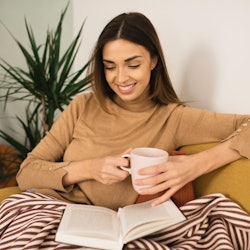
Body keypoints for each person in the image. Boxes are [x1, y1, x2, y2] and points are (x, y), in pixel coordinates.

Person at [0, 12, 250, 249]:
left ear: (153, 60)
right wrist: (90, 168)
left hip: (116, 229)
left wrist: (195, 165)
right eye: (110, 67)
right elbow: (27, 172)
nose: (120, 78)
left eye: (132, 65)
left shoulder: (174, 118)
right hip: (51, 210)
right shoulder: (82, 107)